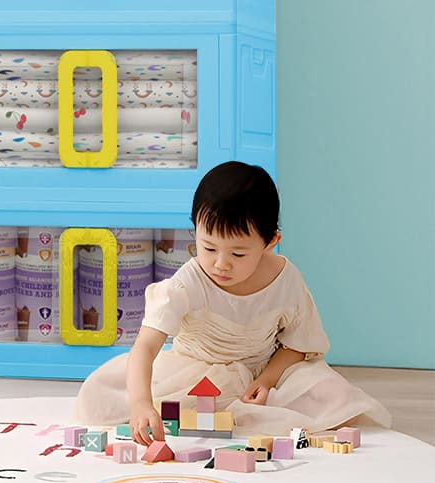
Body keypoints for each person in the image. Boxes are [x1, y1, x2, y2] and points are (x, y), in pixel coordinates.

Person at [76, 158, 389, 437]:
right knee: (101, 395)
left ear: (271, 242)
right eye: (208, 248)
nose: (220, 264)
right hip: (195, 369)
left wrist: (266, 380)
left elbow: (298, 344)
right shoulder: (188, 282)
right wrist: (142, 404)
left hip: (260, 369)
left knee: (335, 396)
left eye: (238, 253)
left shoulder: (285, 278)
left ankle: (251, 409)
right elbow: (145, 346)